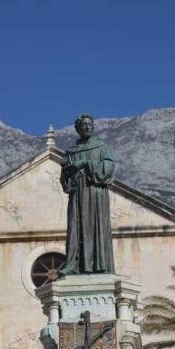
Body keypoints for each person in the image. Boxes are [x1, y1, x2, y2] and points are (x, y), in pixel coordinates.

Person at [60, 114, 115, 275]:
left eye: (90, 125)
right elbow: (65, 179)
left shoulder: (102, 147)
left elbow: (109, 168)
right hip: (78, 194)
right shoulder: (70, 152)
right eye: (84, 125)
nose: (87, 127)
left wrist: (85, 163)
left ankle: (98, 265)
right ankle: (73, 265)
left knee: (95, 228)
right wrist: (69, 172)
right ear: (78, 128)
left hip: (95, 194)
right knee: (75, 227)